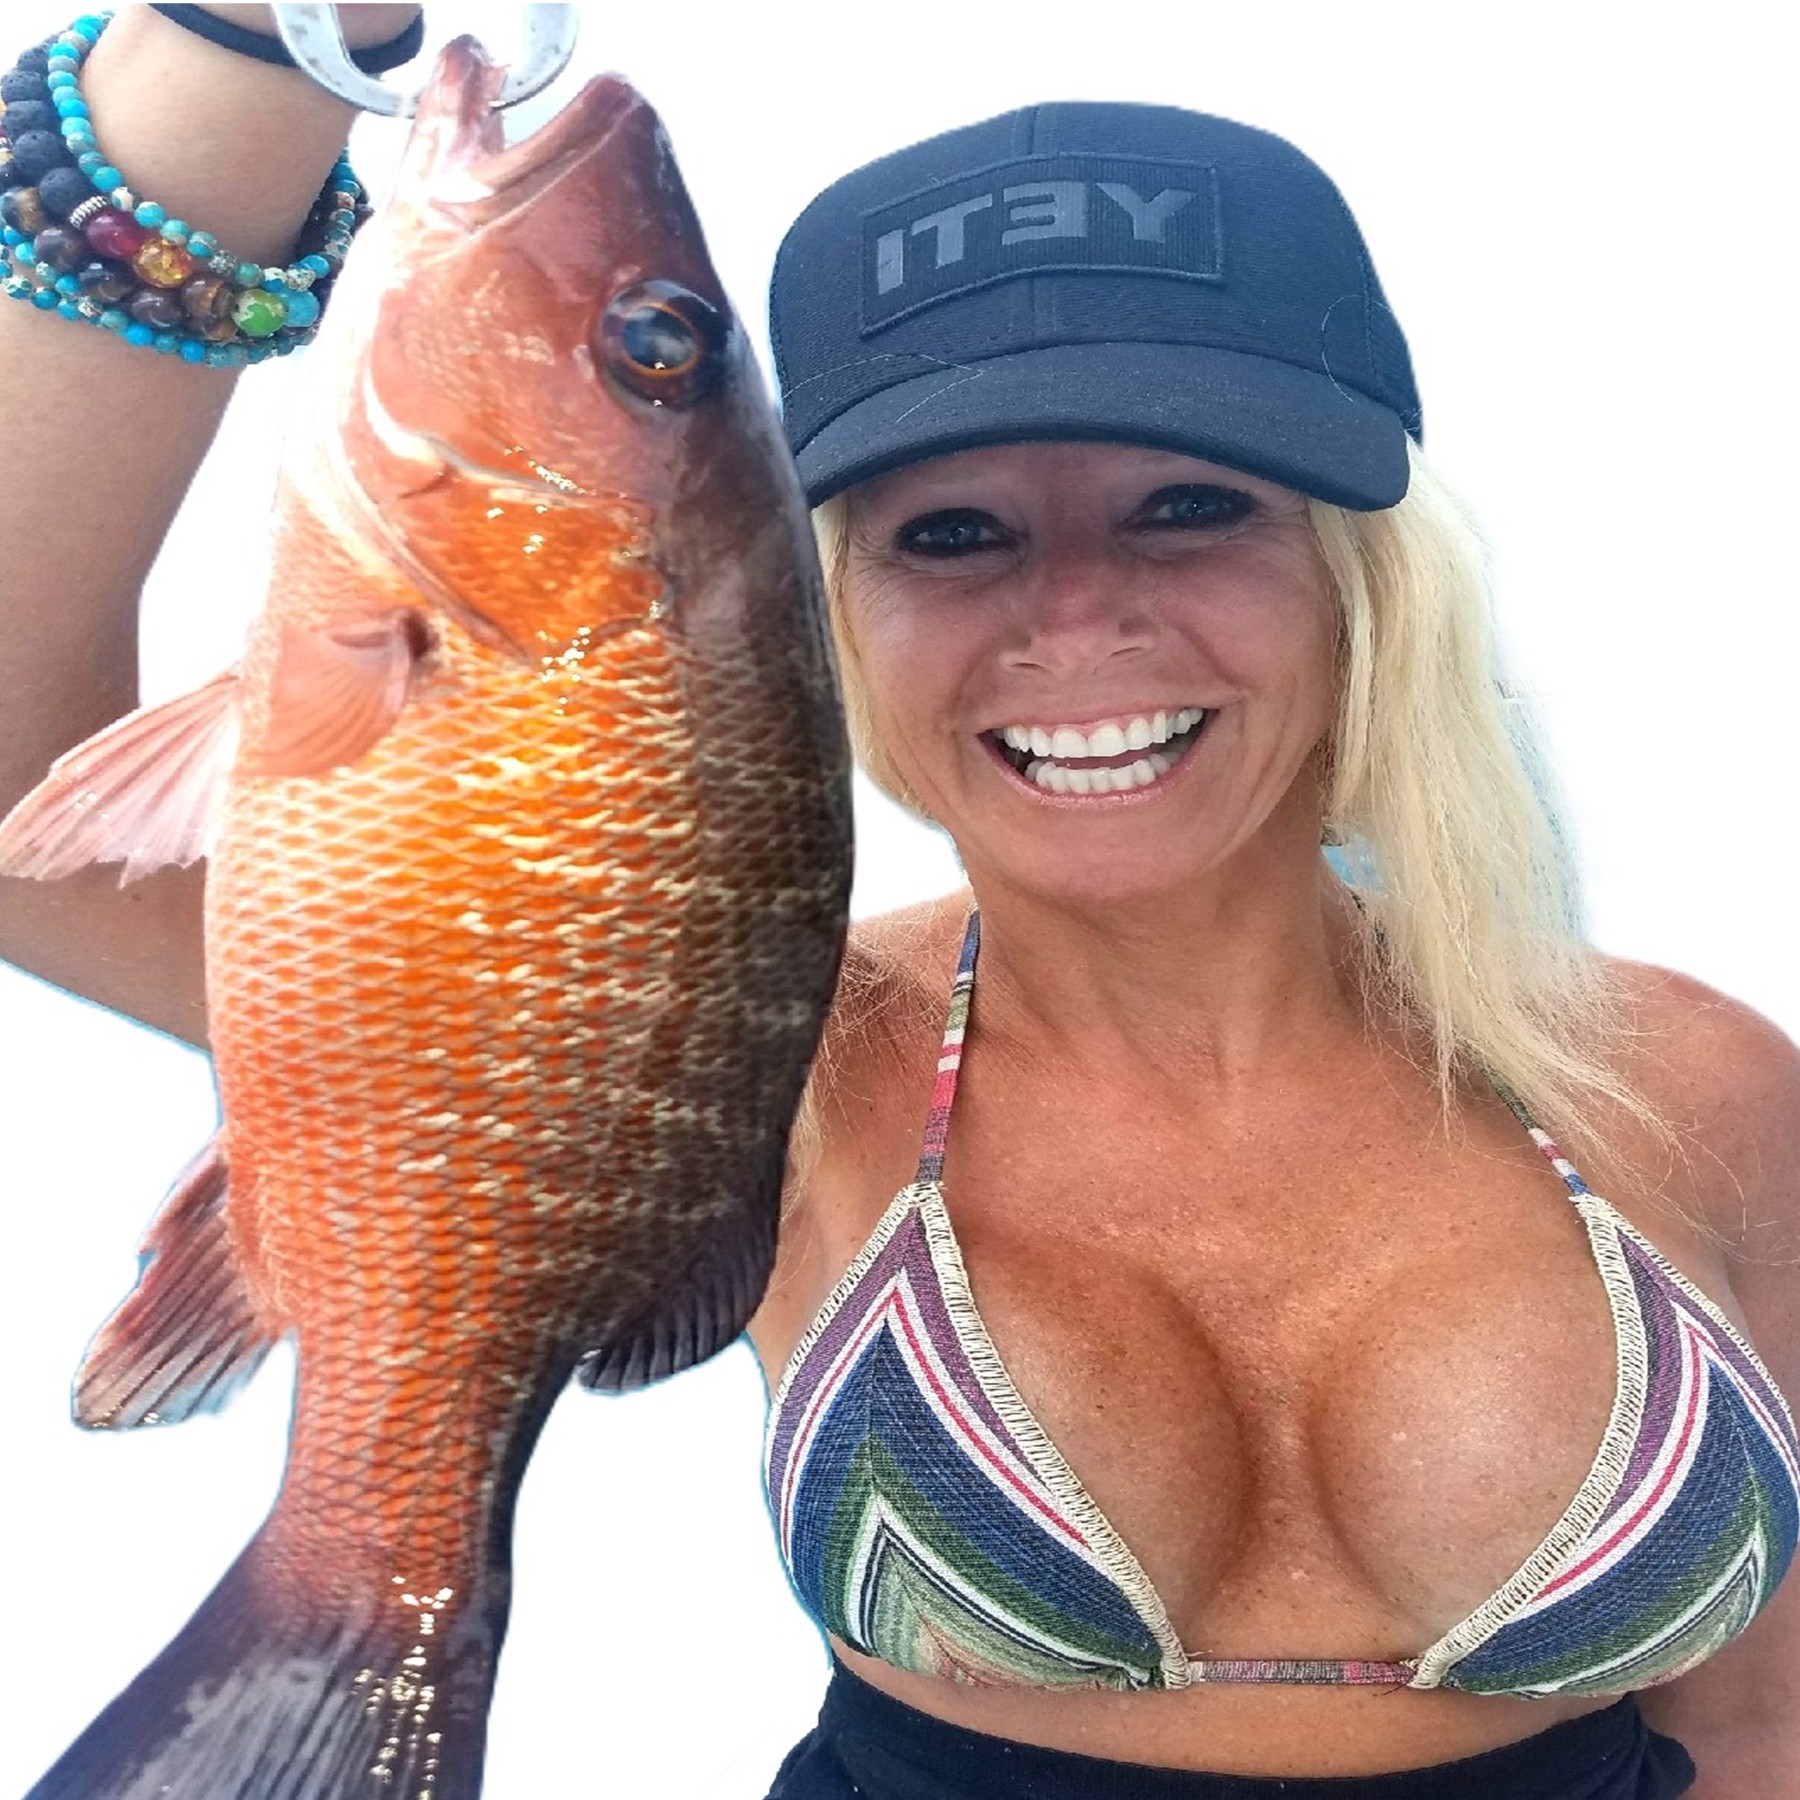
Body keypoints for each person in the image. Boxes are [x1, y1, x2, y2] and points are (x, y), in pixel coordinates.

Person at [1, 12, 1795, 1800]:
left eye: (1190, 505)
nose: (1076, 618)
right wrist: (243, 43)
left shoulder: (1698, 1086)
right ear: (824, 609)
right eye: (949, 533)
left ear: (1365, 580)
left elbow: (1761, 1721)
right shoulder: (712, 1041)